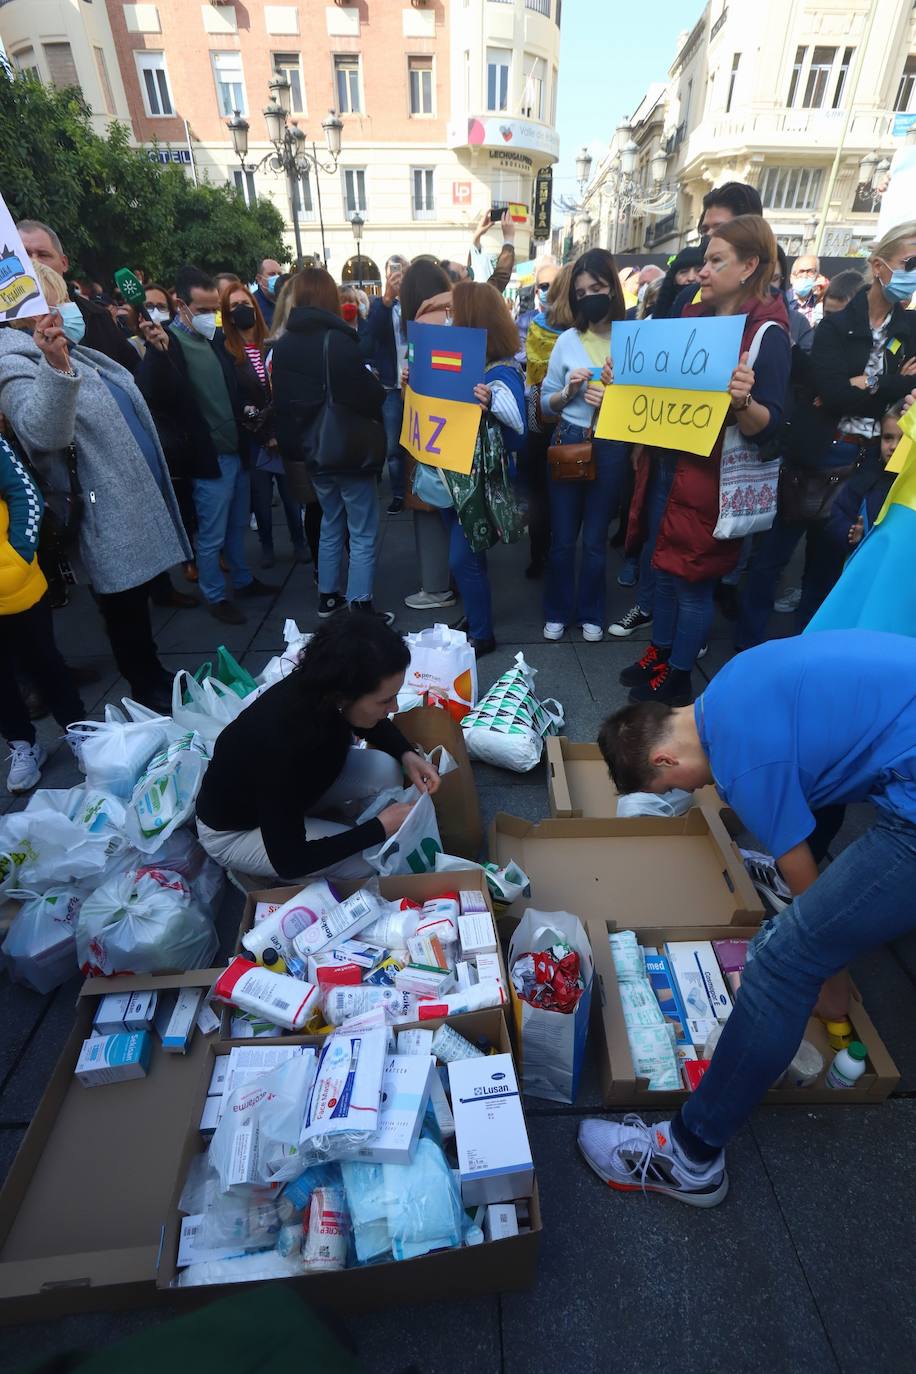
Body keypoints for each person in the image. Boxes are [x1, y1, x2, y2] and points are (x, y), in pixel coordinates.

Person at [585, 629, 916, 1207]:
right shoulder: (730, 683)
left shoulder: (743, 764)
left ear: (665, 758)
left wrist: (831, 978)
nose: (690, 790)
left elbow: (804, 881)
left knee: (781, 963)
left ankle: (690, 1157)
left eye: (670, 786)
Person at [0, 263, 191, 713]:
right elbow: (42, 432)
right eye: (60, 300)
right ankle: (145, 684)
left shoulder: (76, 351)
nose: (70, 308)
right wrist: (55, 367)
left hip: (125, 493)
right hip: (98, 500)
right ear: (31, 311)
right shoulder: (14, 362)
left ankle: (152, 672)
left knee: (136, 597)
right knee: (122, 601)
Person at [620, 216, 790, 703]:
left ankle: (678, 675)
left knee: (692, 583)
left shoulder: (768, 336)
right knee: (664, 569)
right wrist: (623, 376)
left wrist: (743, 402)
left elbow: (772, 428)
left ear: (749, 266)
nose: (702, 271)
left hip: (715, 480)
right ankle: (660, 652)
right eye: (705, 260)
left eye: (716, 261)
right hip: (671, 468)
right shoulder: (694, 319)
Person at [736, 220, 916, 649]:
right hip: (818, 455)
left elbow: (886, 397)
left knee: (828, 566)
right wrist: (891, 384)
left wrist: (864, 385)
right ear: (879, 265)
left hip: (872, 461)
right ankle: (747, 647)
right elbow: (833, 393)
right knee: (773, 557)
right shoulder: (836, 326)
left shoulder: (909, 328)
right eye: (909, 262)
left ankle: (807, 652)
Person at [196, 614, 440, 881]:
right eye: (385, 701)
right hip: (236, 831)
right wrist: (378, 828)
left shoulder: (325, 688)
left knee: (384, 769)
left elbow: (367, 721)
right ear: (343, 696)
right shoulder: (280, 743)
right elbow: (291, 861)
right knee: (371, 862)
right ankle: (253, 873)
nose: (394, 708)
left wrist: (406, 753)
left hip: (295, 796)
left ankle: (329, 828)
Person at [137, 265, 276, 626]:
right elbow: (153, 393)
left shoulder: (213, 340)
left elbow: (229, 388)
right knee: (212, 535)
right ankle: (215, 595)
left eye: (215, 309)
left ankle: (242, 581)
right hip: (207, 458)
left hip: (235, 450)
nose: (212, 316)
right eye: (203, 309)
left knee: (236, 527)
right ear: (181, 305)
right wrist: (156, 353)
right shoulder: (168, 343)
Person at [270, 268, 390, 623]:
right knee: (363, 529)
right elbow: (369, 395)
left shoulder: (283, 346)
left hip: (313, 450)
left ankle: (328, 597)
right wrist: (374, 382)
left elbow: (283, 404)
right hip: (348, 449)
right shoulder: (337, 341)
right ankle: (360, 606)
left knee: (330, 523)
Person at [420, 279, 525, 658]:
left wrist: (492, 400)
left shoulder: (501, 372)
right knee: (470, 557)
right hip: (457, 476)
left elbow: (517, 425)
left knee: (462, 559)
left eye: (454, 312)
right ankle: (476, 619)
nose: (449, 319)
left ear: (473, 318)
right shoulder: (475, 365)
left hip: (475, 485)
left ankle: (482, 633)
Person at [540, 248, 630, 644]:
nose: (589, 296)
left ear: (612, 288)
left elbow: (646, 403)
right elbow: (545, 404)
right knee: (562, 539)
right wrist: (567, 392)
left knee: (595, 540)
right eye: (581, 292)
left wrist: (615, 399)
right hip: (569, 438)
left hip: (612, 444)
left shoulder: (632, 340)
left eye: (597, 287)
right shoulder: (567, 341)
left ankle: (591, 611)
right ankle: (557, 610)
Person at [0, 433, 84, 793]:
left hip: (15, 583)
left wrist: (17, 557)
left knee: (45, 661)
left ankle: (77, 730)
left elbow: (25, 493)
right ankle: (23, 744)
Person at [217, 281, 306, 571]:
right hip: (255, 437)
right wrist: (263, 431)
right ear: (228, 315)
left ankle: (299, 542)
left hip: (283, 433)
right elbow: (237, 397)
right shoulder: (228, 352)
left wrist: (279, 432)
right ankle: (266, 545)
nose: (242, 310)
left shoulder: (272, 343)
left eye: (246, 304)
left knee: (292, 495)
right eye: (234, 307)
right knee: (261, 499)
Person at [397, 259, 458, 611]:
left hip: (431, 433)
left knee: (429, 504)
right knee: (458, 509)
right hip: (463, 429)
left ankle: (436, 587)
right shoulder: (462, 313)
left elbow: (419, 390)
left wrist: (407, 385)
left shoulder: (422, 325)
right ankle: (459, 576)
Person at [17, 220, 139, 375]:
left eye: (43, 255)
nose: (34, 261)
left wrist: (157, 353)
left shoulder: (97, 316)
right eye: (24, 254)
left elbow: (131, 373)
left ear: (64, 263)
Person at [523, 263, 573, 580]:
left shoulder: (581, 330)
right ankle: (545, 554)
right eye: (542, 285)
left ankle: (548, 554)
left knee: (551, 494)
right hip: (549, 420)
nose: (546, 291)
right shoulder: (538, 326)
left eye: (550, 285)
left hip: (560, 419)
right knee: (547, 493)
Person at [668, 184, 764, 319]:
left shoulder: (769, 314)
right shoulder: (688, 298)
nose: (709, 236)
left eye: (720, 229)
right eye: (705, 230)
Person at [361, 253, 411, 515]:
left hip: (416, 383)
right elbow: (372, 334)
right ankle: (399, 493)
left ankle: (418, 489)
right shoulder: (380, 305)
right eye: (393, 271)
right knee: (393, 445)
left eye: (403, 270)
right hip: (392, 386)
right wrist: (387, 298)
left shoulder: (417, 302)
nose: (398, 276)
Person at [824, 400, 900, 560]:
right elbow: (839, 512)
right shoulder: (867, 475)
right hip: (864, 561)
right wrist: (850, 532)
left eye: (903, 440)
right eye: (888, 438)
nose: (893, 446)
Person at [439, 210, 516, 291]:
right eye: (462, 269)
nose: (466, 267)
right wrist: (508, 239)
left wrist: (477, 235)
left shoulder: (466, 293)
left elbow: (472, 261)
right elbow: (499, 278)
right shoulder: (476, 296)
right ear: (457, 284)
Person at [651, 247, 704, 321]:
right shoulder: (663, 311)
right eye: (684, 272)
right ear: (673, 279)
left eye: (699, 270)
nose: (691, 278)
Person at [789, 252, 822, 326]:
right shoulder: (781, 302)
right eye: (801, 271)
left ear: (817, 277)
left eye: (810, 272)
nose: (805, 276)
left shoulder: (820, 305)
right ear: (792, 278)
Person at [253, 258, 284, 329]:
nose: (277, 278)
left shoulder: (288, 301)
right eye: (272, 274)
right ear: (259, 279)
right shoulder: (253, 304)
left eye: (279, 274)